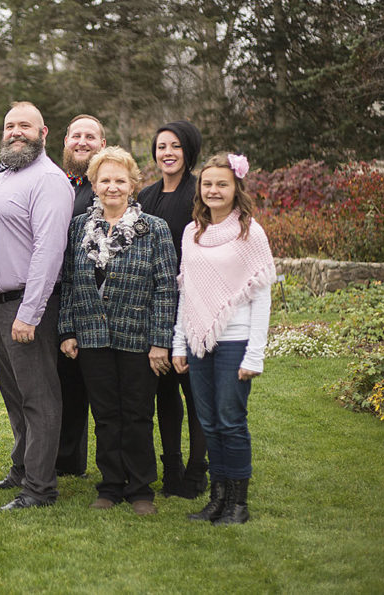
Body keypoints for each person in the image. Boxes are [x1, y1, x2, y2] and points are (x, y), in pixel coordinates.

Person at [59, 146, 177, 515]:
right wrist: (67, 331)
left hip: (138, 340)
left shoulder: (153, 229)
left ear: (132, 185)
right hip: (92, 336)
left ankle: (140, 489)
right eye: (105, 180)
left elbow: (166, 289)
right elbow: (69, 283)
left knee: (138, 415)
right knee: (106, 415)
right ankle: (110, 486)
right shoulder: (79, 227)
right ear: (93, 185)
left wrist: (161, 342)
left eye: (119, 180)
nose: (112, 187)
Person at [0, 102, 74, 511]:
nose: (16, 132)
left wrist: (29, 312)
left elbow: (48, 252)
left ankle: (39, 488)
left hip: (28, 304)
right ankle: (20, 469)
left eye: (25, 126)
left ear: (43, 132)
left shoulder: (49, 181)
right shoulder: (6, 175)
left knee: (38, 399)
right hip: (1, 305)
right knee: (14, 396)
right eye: (10, 125)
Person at [172, 152, 275, 525]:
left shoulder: (251, 232)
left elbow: (261, 293)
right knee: (208, 421)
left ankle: (238, 503)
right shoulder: (192, 232)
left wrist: (255, 356)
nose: (214, 190)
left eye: (222, 184)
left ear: (236, 188)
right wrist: (180, 344)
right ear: (200, 189)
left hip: (236, 341)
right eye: (208, 184)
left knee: (231, 420)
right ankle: (216, 499)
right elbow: (188, 291)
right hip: (201, 340)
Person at [137, 121, 208, 499]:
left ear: (188, 151)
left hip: (193, 304)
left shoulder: (200, 193)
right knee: (162, 391)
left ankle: (198, 471)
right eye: (161, 146)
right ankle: (172, 468)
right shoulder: (146, 197)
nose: (167, 152)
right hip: (157, 307)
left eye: (175, 146)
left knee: (193, 392)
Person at [55, 114, 107, 478]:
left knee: (98, 385)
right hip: (55, 295)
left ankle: (110, 466)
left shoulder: (108, 187)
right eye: (76, 135)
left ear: (102, 145)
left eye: (91, 136)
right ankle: (64, 461)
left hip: (96, 300)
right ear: (65, 142)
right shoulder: (54, 184)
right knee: (62, 382)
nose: (83, 141)